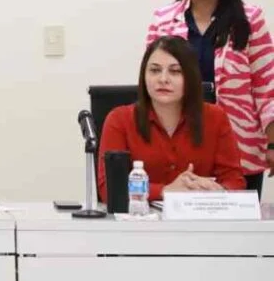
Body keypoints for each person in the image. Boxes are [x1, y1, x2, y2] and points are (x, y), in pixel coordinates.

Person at [147, 0, 274, 193]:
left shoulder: (249, 19)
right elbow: (150, 79)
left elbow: (266, 85)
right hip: (181, 138)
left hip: (238, 143)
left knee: (237, 215)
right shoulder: (163, 19)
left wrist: (272, 143)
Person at [98, 36, 245, 201]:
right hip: (141, 216)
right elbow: (109, 189)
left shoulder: (215, 117)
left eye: (175, 71)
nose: (163, 79)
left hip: (198, 215)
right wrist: (165, 191)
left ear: (190, 77)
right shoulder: (119, 120)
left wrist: (215, 189)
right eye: (155, 70)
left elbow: (235, 181)